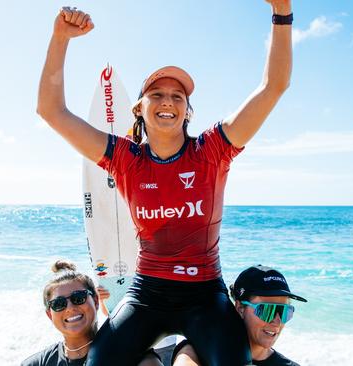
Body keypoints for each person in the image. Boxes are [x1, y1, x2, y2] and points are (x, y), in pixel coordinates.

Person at [37, 1, 293, 364]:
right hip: (148, 293)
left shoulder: (213, 150)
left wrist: (281, 11)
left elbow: (274, 87)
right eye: (156, 94)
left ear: (188, 110)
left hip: (205, 295)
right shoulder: (125, 158)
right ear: (139, 108)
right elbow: (52, 111)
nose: (167, 101)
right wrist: (60, 37)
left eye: (178, 96)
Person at [21, 260, 162, 366]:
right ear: (50, 315)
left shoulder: (133, 355)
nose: (69, 307)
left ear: (95, 301)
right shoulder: (37, 363)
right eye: (59, 304)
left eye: (78, 298)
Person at [173, 265, 307, 365]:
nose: (277, 322)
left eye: (284, 312)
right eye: (268, 311)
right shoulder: (199, 352)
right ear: (240, 308)